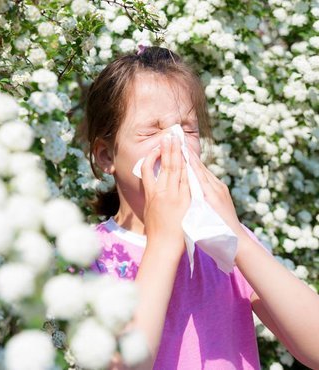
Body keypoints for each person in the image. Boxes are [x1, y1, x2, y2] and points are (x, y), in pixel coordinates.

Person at [80, 46, 319, 369]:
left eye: (188, 128)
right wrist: (164, 242)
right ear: (107, 156)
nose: (175, 142)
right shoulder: (91, 257)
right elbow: (124, 364)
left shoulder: (221, 243)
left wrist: (238, 238)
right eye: (152, 130)